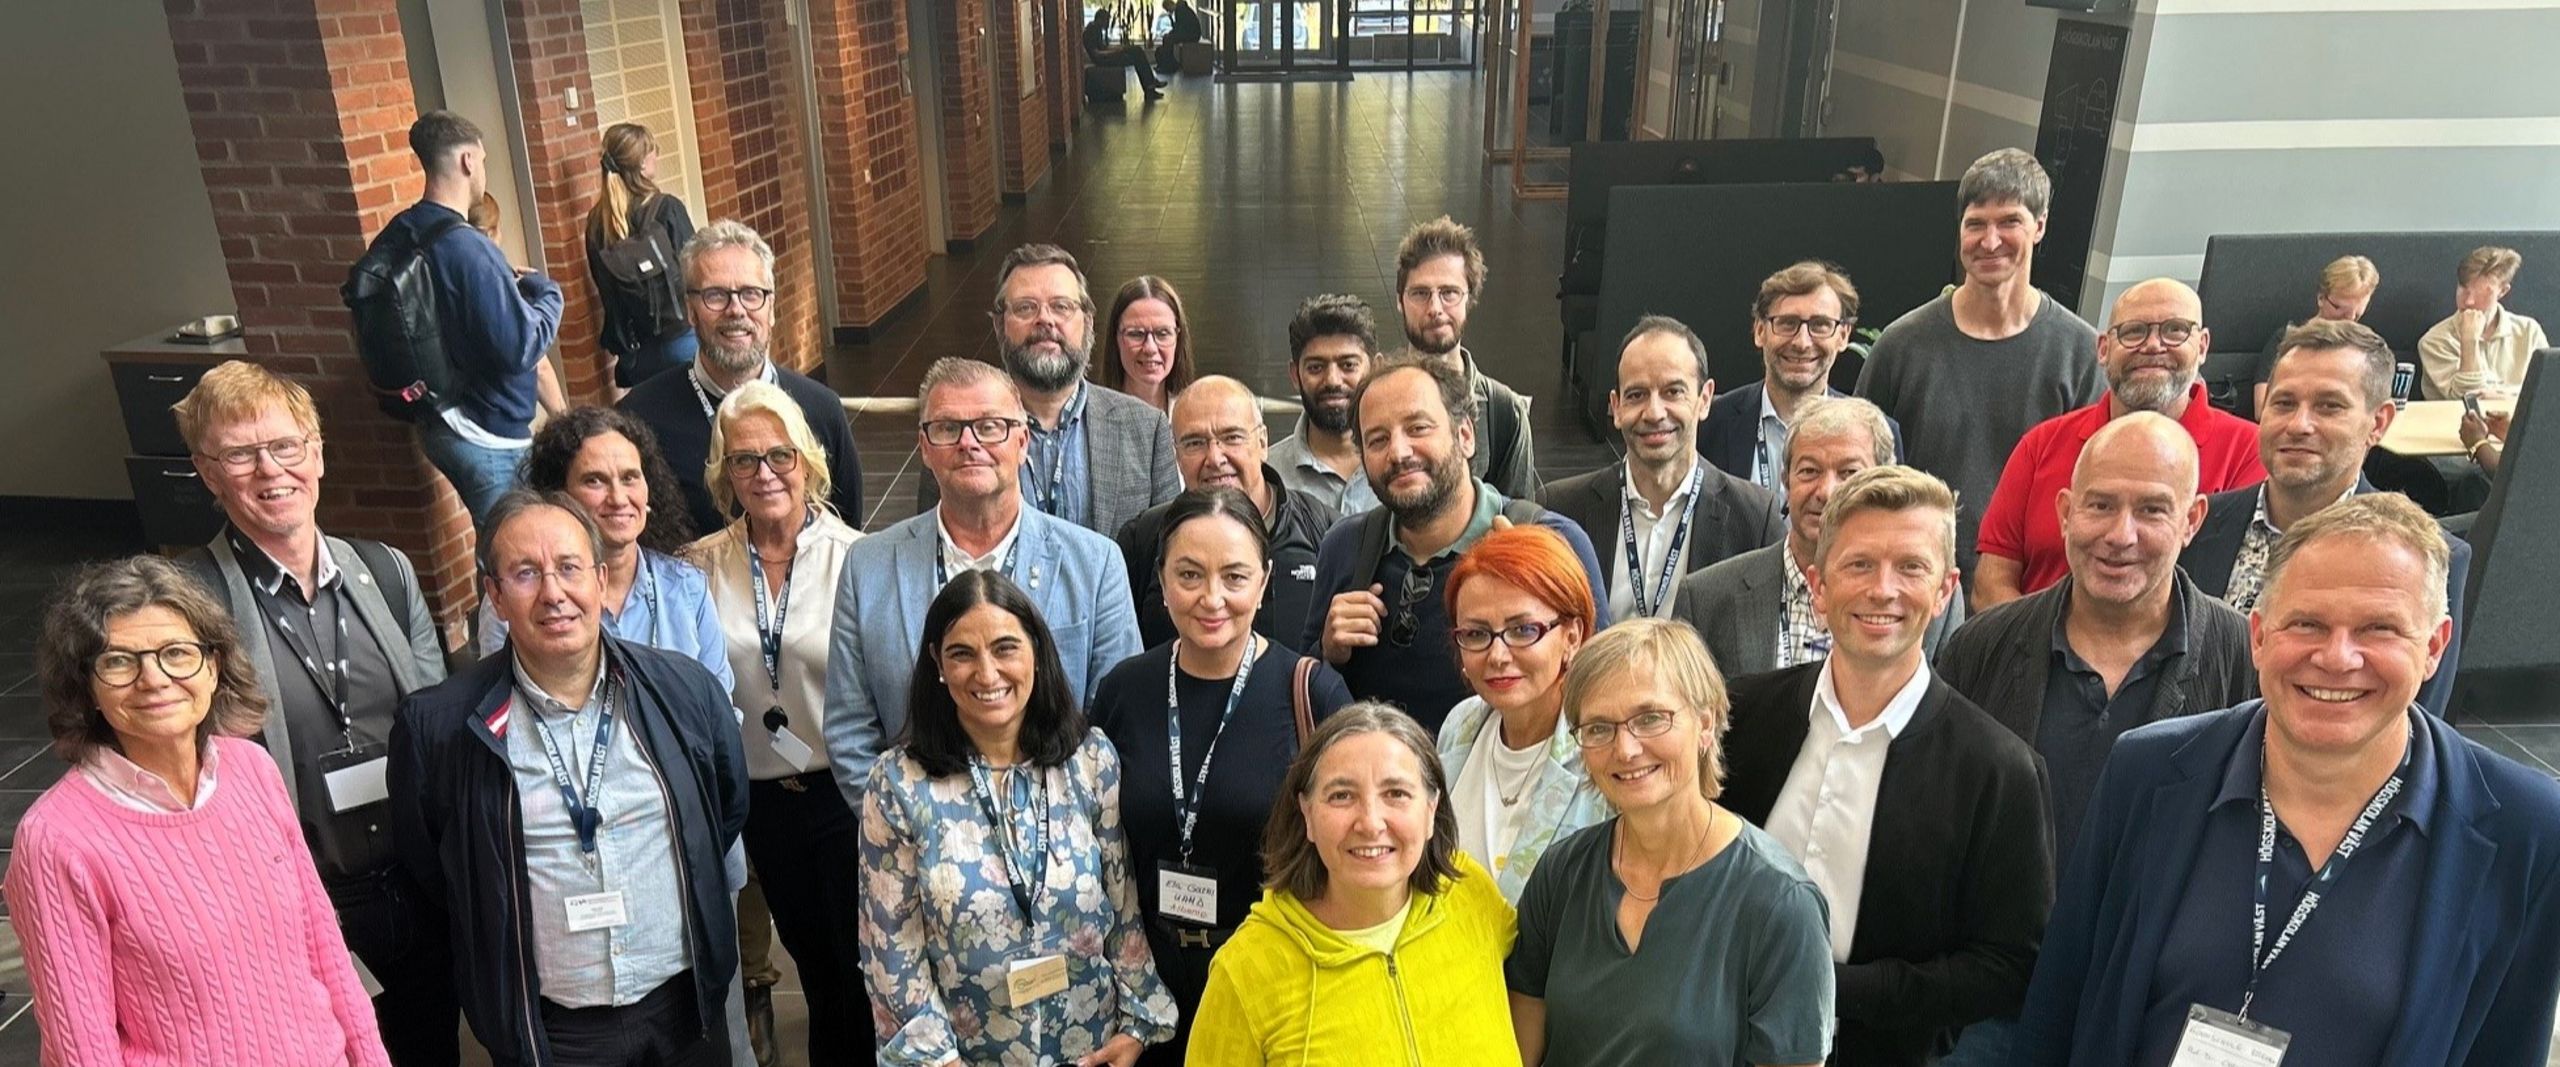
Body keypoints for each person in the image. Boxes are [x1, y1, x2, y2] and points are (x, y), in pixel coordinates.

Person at [2015, 494, 2560, 1067]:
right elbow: (2059, 1003)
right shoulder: (2148, 771)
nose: (2337, 657)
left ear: (2433, 647)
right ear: (2258, 635)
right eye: (2307, 623)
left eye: (2379, 629)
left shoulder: (2524, 833)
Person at [390, 490, 749, 1067]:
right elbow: (440, 868)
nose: (554, 592)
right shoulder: (440, 727)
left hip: (684, 1010)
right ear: (496, 597)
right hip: (555, 1031)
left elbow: (723, 809)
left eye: (569, 567)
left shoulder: (684, 691)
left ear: (601, 581)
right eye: (526, 573)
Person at [169, 361, 458, 1065]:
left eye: (285, 445)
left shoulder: (387, 572)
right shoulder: (187, 603)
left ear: (318, 453)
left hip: (417, 892)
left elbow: (436, 730)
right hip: (300, 910)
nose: (271, 470)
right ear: (209, 473)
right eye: (240, 453)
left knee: (431, 1049)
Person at [1716, 466, 2050, 1066]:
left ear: (1946, 589)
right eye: (1860, 565)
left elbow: (2006, 965)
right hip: (1717, 1040)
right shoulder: (1739, 715)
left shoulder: (2000, 772)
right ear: (1819, 586)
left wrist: (1838, 988)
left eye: (1911, 567)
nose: (1883, 589)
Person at [8, 556, 392, 1066]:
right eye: (119, 660)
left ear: (212, 667)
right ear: (88, 688)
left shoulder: (251, 768)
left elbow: (322, 943)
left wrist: (370, 1057)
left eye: (176, 652)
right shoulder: (57, 839)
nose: (154, 678)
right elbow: (83, 1051)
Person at [859, 569, 1178, 1066]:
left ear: (1036, 650)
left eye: (1005, 648)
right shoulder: (898, 784)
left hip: (1089, 1046)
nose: (987, 674)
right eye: (962, 653)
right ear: (937, 665)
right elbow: (891, 953)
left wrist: (1138, 1024)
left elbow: (1123, 906)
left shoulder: (1090, 761)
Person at [1089, 488, 1355, 1066]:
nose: (1212, 598)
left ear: (1264, 582)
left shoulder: (1311, 692)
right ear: (1160, 582)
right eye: (1190, 574)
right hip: (1143, 995)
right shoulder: (1123, 691)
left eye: (1234, 577)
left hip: (1272, 986)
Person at [1505, 618, 1834, 1067]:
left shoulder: (1781, 903)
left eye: (1650, 718)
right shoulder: (1562, 871)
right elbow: (1516, 1054)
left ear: (1705, 722)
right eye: (1599, 728)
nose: (1625, 749)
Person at [824, 357, 1144, 809]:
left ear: (1023, 441)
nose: (969, 443)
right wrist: (910, 829)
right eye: (947, 428)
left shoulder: (1094, 564)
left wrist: (1047, 834)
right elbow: (850, 730)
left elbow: (1114, 721)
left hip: (1056, 845)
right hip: (920, 850)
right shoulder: (868, 566)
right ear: (924, 447)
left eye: (990, 426)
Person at [1938, 413, 2256, 865]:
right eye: (2101, 505)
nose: (2120, 536)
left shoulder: (2245, 660)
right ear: (2066, 513)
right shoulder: (1980, 649)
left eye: (2152, 510)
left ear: (2192, 521)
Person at [686, 381, 872, 1067]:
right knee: (814, 963)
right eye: (745, 460)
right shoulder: (699, 567)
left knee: (858, 969)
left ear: (808, 461)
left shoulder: (857, 557)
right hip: (760, 800)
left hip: (841, 793)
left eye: (779, 455)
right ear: (724, 473)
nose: (764, 473)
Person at [1188, 703, 1521, 1066]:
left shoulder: (1470, 893)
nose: (1371, 822)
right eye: (1342, 796)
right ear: (1307, 815)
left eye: (1396, 793)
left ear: (1431, 809)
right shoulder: (1247, 971)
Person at [2181, 319, 2471, 714]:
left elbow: (2412, 725)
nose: (2299, 425)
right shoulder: (2198, 525)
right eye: (2284, 403)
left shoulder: (2427, 558)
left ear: (2379, 422)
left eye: (2329, 406)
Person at [1304, 357, 1607, 733]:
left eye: (1417, 428)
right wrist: (1328, 653)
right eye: (1378, 439)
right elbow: (1304, 698)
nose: (1398, 452)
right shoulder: (1345, 547)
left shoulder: (1552, 543)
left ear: (1465, 436)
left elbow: (1602, 694)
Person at [1856, 147, 2103, 576]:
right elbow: (1861, 478)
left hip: (2029, 594)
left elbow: (2092, 487)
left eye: (2009, 222)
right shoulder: (1902, 347)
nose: (1990, 242)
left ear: (2040, 226)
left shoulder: (2079, 353)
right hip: (1913, 586)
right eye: (1976, 225)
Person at [1973, 279, 2265, 608]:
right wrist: (2042, 653)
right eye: (2133, 331)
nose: (2153, 345)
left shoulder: (2250, 453)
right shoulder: (2042, 444)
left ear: (2202, 345)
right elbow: (1991, 582)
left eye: (2174, 330)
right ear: (2103, 349)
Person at [1677, 396, 1961, 677]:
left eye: (1849, 473)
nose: (1827, 491)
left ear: (1883, 479)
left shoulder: (1929, 591)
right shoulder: (1707, 599)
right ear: (1786, 480)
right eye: (1810, 471)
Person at [620, 219, 865, 537]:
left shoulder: (821, 410)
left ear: (772, 308)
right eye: (716, 295)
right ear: (691, 311)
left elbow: (846, 534)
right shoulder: (639, 418)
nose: (736, 310)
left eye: (751, 294)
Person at [922, 243, 1183, 538]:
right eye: (1025, 307)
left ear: (1087, 322)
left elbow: (1170, 552)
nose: (1045, 319)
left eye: (1061, 306)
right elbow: (934, 552)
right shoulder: (954, 433)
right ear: (999, 325)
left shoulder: (1147, 429)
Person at [1538, 316, 1782, 621]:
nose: (1654, 413)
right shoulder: (1562, 510)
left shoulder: (1755, 519)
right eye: (1636, 395)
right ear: (1615, 407)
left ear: (1704, 399)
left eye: (1673, 392)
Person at [476, 407, 731, 698]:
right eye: (594, 480)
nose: (619, 498)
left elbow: (720, 708)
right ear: (559, 494)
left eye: (630, 477)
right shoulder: (517, 597)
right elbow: (502, 711)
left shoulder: (687, 587)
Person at [392, 110, 567, 523]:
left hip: (435, 419)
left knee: (502, 548)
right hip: (485, 431)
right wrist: (547, 292)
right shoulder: (470, 248)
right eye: (483, 161)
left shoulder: (401, 232)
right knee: (510, 552)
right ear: (468, 161)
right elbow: (520, 348)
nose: (483, 171)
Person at [1434, 524, 1610, 902]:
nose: (1497, 655)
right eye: (1477, 634)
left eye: (1523, 629)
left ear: (1573, 636)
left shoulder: (1608, 751)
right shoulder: (1459, 725)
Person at [1116, 376, 1340, 647]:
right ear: (1176, 454)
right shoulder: (1143, 541)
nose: (1214, 458)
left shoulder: (1326, 533)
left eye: (1232, 437)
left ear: (1263, 442)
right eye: (1195, 443)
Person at [1702, 260, 1902, 490]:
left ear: (1843, 336)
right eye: (1787, 323)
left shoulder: (1879, 435)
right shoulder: (1711, 426)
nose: (1802, 342)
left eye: (1820, 325)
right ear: (1759, 331)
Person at [1396, 216, 1542, 498]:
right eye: (1420, 293)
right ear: (1399, 300)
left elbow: (1519, 523)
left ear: (1470, 298)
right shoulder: (1375, 403)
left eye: (1449, 293)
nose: (1435, 308)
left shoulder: (1504, 413)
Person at [586, 122, 699, 390]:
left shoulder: (597, 223)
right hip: (683, 341)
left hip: (636, 356)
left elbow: (605, 291)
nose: (656, 156)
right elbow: (698, 273)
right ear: (643, 163)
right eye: (653, 151)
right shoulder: (667, 208)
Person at [1268, 293, 1383, 515]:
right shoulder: (1267, 477)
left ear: (1376, 369)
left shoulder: (1403, 466)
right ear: (1295, 375)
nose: (1332, 380)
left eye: (1348, 365)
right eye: (1315, 367)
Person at [2252, 254, 2380, 415]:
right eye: (2339, 309)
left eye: (2356, 315)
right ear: (2321, 298)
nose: (2347, 322)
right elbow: (2261, 409)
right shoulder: (2287, 339)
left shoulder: (2364, 348)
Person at [2419, 244, 2549, 400]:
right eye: (2464, 289)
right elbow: (2466, 401)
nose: (2468, 301)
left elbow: (2547, 393)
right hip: (2457, 423)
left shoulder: (2529, 332)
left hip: (2521, 423)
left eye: (2483, 293)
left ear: (2503, 291)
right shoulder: (2435, 341)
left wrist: (2504, 397)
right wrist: (2469, 341)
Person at [1098, 274, 1198, 412]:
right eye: (1136, 334)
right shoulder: (1091, 419)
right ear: (1116, 339)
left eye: (1163, 333)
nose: (1150, 348)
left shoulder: (1192, 418)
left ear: (1178, 338)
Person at [1085, 6, 1167, 101]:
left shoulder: (1096, 28)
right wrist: (1115, 52)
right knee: (1136, 56)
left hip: (1105, 57)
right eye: (1106, 20)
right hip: (1103, 60)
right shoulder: (1091, 31)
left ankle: (1150, 86)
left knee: (1137, 50)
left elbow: (1103, 47)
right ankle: (1150, 86)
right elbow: (1097, 54)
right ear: (1100, 19)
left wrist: (1118, 48)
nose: (1108, 24)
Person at [1154, 0, 1204, 75]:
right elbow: (1180, 27)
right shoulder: (1181, 9)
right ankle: (1169, 63)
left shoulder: (1180, 11)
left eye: (1167, 9)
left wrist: (1171, 33)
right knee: (1167, 38)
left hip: (1191, 35)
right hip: (1191, 33)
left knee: (1168, 39)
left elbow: (1180, 29)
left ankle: (1169, 65)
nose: (1168, 11)